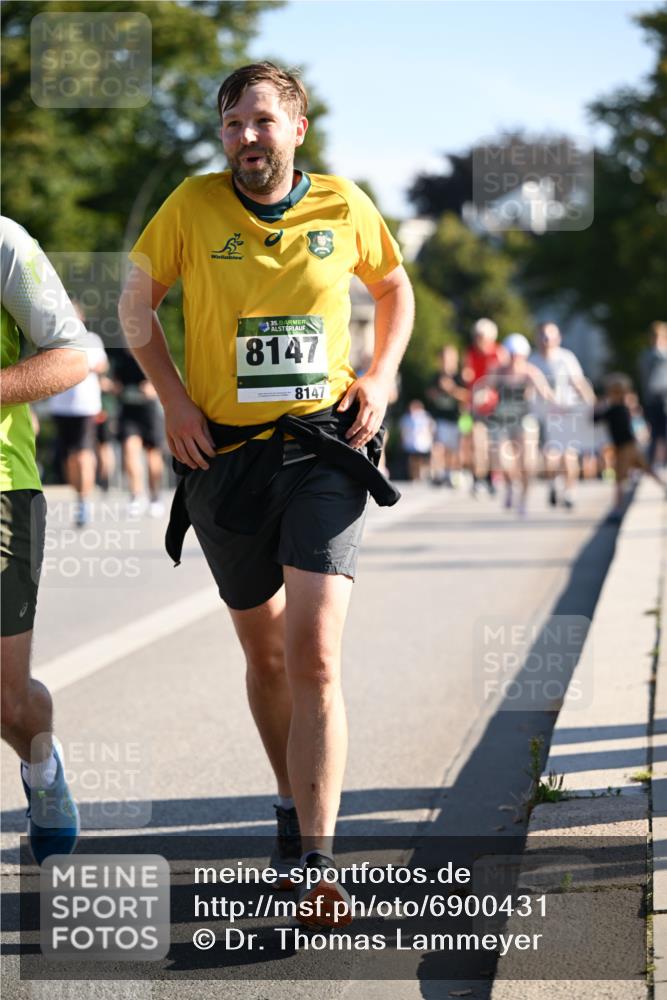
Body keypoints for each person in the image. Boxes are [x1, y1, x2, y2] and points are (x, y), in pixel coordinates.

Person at [118, 63, 414, 925]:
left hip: (324, 446)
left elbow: (392, 285)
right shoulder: (192, 206)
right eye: (233, 124)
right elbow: (136, 305)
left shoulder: (343, 205)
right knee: (268, 656)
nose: (246, 137)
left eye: (261, 121)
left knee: (314, 648)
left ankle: (319, 863)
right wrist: (172, 401)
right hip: (223, 458)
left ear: (296, 128)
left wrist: (385, 376)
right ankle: (289, 808)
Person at [1, 216, 87, 864]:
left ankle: (43, 770)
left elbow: (74, 354)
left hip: (3, 488)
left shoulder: (4, 243)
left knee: (6, 696)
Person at [49, 306, 109, 527]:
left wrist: (82, 367)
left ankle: (84, 502)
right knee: (69, 459)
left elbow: (103, 364)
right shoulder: (53, 340)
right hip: (61, 408)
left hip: (86, 408)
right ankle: (79, 495)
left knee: (83, 455)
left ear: (81, 318)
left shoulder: (91, 340)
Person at [483, 333, 554, 516]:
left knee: (527, 463)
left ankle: (523, 500)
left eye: (518, 355)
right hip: (502, 420)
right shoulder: (497, 371)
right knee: (502, 459)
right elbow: (485, 388)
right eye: (512, 355)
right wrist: (480, 397)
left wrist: (555, 404)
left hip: (524, 419)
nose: (515, 359)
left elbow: (545, 392)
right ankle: (510, 484)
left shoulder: (530, 372)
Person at [529, 321, 595, 509]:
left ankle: (569, 491)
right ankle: (553, 483)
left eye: (549, 336)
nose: (546, 340)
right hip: (544, 417)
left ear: (558, 338)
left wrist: (590, 404)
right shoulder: (532, 361)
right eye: (542, 336)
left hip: (567, 413)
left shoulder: (566, 358)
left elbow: (579, 383)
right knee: (550, 456)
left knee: (569, 455)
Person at [594, 373, 667, 522]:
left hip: (624, 448)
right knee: (647, 469)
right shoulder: (623, 408)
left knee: (619, 479)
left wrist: (598, 405)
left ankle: (616, 509)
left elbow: (596, 419)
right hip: (631, 446)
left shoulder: (616, 409)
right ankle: (664, 486)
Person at [113, 347, 166, 517]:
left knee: (152, 456)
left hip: (149, 411)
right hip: (128, 411)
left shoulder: (153, 350)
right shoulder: (120, 355)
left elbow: (172, 375)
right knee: (130, 451)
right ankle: (136, 496)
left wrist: (154, 387)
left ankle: (155, 497)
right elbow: (115, 381)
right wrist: (114, 387)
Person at [462, 317, 505, 496]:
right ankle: (478, 478)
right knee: (478, 442)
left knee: (494, 444)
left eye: (482, 336)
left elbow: (503, 379)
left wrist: (489, 390)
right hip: (476, 405)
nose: (479, 340)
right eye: (477, 336)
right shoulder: (470, 353)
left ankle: (493, 476)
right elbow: (467, 375)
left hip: (495, 406)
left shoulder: (498, 353)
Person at [426, 345, 469, 487]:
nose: (446, 362)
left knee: (455, 449)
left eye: (449, 359)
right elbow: (429, 395)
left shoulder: (460, 377)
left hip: (456, 419)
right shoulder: (435, 377)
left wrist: (451, 389)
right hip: (440, 418)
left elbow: (466, 397)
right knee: (438, 446)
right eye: (443, 359)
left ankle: (454, 473)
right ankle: (439, 473)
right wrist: (436, 392)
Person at [638, 321, 667, 469]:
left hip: (665, 398)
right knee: (655, 433)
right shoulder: (647, 355)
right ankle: (652, 462)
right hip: (653, 399)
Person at [399, 399, 435, 481]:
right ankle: (414, 476)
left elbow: (431, 429)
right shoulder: (406, 418)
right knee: (412, 460)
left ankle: (422, 475)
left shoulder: (426, 417)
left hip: (423, 443)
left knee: (422, 460)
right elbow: (403, 431)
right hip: (411, 444)